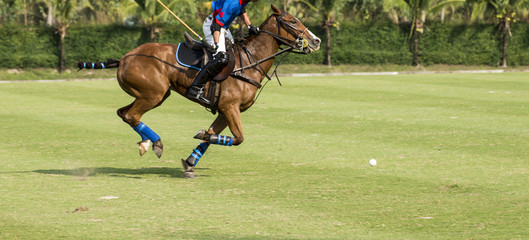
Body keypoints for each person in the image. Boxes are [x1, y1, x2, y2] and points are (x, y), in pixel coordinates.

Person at [186, 0, 259, 106]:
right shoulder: (232, 3)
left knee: (234, 51)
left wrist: (250, 26)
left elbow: (242, 11)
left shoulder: (243, 1)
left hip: (224, 28)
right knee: (221, 58)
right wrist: (215, 44)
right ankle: (195, 88)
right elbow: (216, 25)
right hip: (213, 25)